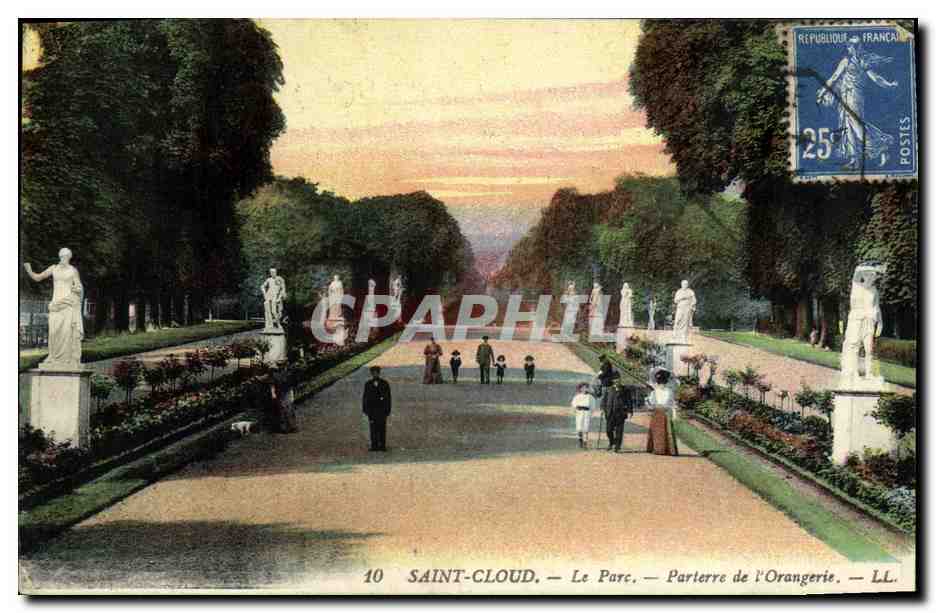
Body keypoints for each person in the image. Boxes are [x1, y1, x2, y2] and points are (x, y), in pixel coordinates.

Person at [817, 36, 898, 169]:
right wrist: (822, 92)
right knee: (847, 126)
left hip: (854, 97)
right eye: (849, 46)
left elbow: (875, 78)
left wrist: (888, 85)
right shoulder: (846, 61)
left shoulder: (862, 61)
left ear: (857, 47)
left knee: (856, 125)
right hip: (845, 96)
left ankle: (880, 146)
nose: (850, 48)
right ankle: (854, 159)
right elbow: (834, 78)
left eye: (853, 46)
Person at [24, 247, 84, 368]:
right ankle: (53, 356)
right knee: (53, 332)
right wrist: (29, 270)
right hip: (55, 305)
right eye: (62, 256)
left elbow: (79, 287)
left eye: (66, 256)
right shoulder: (53, 268)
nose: (63, 258)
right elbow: (38, 277)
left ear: (69, 258)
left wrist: (77, 289)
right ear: (59, 256)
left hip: (68, 304)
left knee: (66, 333)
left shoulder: (73, 271)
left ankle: (67, 359)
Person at [645, 369, 679, 456]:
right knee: (657, 432)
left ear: (666, 382)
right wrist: (648, 402)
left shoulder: (669, 392)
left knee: (666, 432)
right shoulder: (654, 392)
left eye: (662, 383)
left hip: (665, 414)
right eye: (659, 383)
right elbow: (650, 403)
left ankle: (666, 449)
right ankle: (657, 449)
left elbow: (673, 404)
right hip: (656, 413)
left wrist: (674, 415)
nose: (661, 385)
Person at [362, 366, 392, 451]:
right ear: (371, 374)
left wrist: (388, 409)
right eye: (373, 373)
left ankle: (382, 445)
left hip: (382, 409)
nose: (375, 374)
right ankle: (374, 445)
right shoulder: (368, 384)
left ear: (379, 373)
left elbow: (388, 397)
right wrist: (365, 409)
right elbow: (365, 397)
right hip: (372, 410)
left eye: (376, 373)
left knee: (382, 427)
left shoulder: (385, 383)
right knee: (373, 428)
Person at [570, 382, 597, 449]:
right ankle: (580, 440)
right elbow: (573, 404)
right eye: (583, 388)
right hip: (579, 412)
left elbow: (593, 406)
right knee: (579, 428)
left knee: (586, 428)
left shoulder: (590, 397)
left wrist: (590, 413)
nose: (584, 389)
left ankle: (585, 442)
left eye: (586, 388)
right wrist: (575, 411)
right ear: (580, 389)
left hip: (587, 412)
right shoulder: (577, 397)